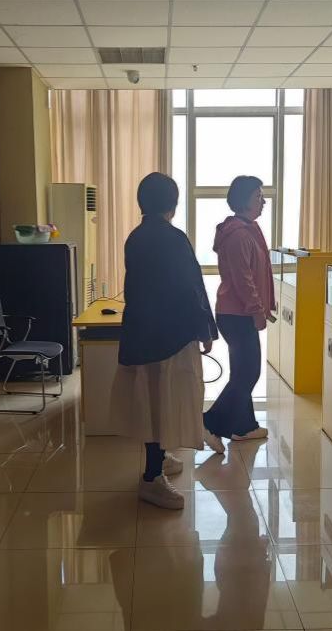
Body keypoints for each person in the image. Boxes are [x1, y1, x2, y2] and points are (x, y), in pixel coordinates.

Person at [109, 172, 217, 510]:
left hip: (143, 332)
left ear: (142, 202)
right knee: (163, 401)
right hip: (170, 335)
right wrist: (205, 328)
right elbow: (190, 288)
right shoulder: (173, 237)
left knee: (151, 400)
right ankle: (152, 478)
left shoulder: (136, 236)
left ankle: (159, 459)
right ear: (174, 203)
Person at [204, 176, 274, 449]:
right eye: (258, 196)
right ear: (244, 200)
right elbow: (243, 279)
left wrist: (263, 307)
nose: (263, 202)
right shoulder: (239, 234)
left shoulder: (247, 229)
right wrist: (256, 309)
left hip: (239, 312)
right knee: (248, 373)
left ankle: (244, 427)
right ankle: (210, 423)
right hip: (237, 314)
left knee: (243, 371)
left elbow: (257, 274)